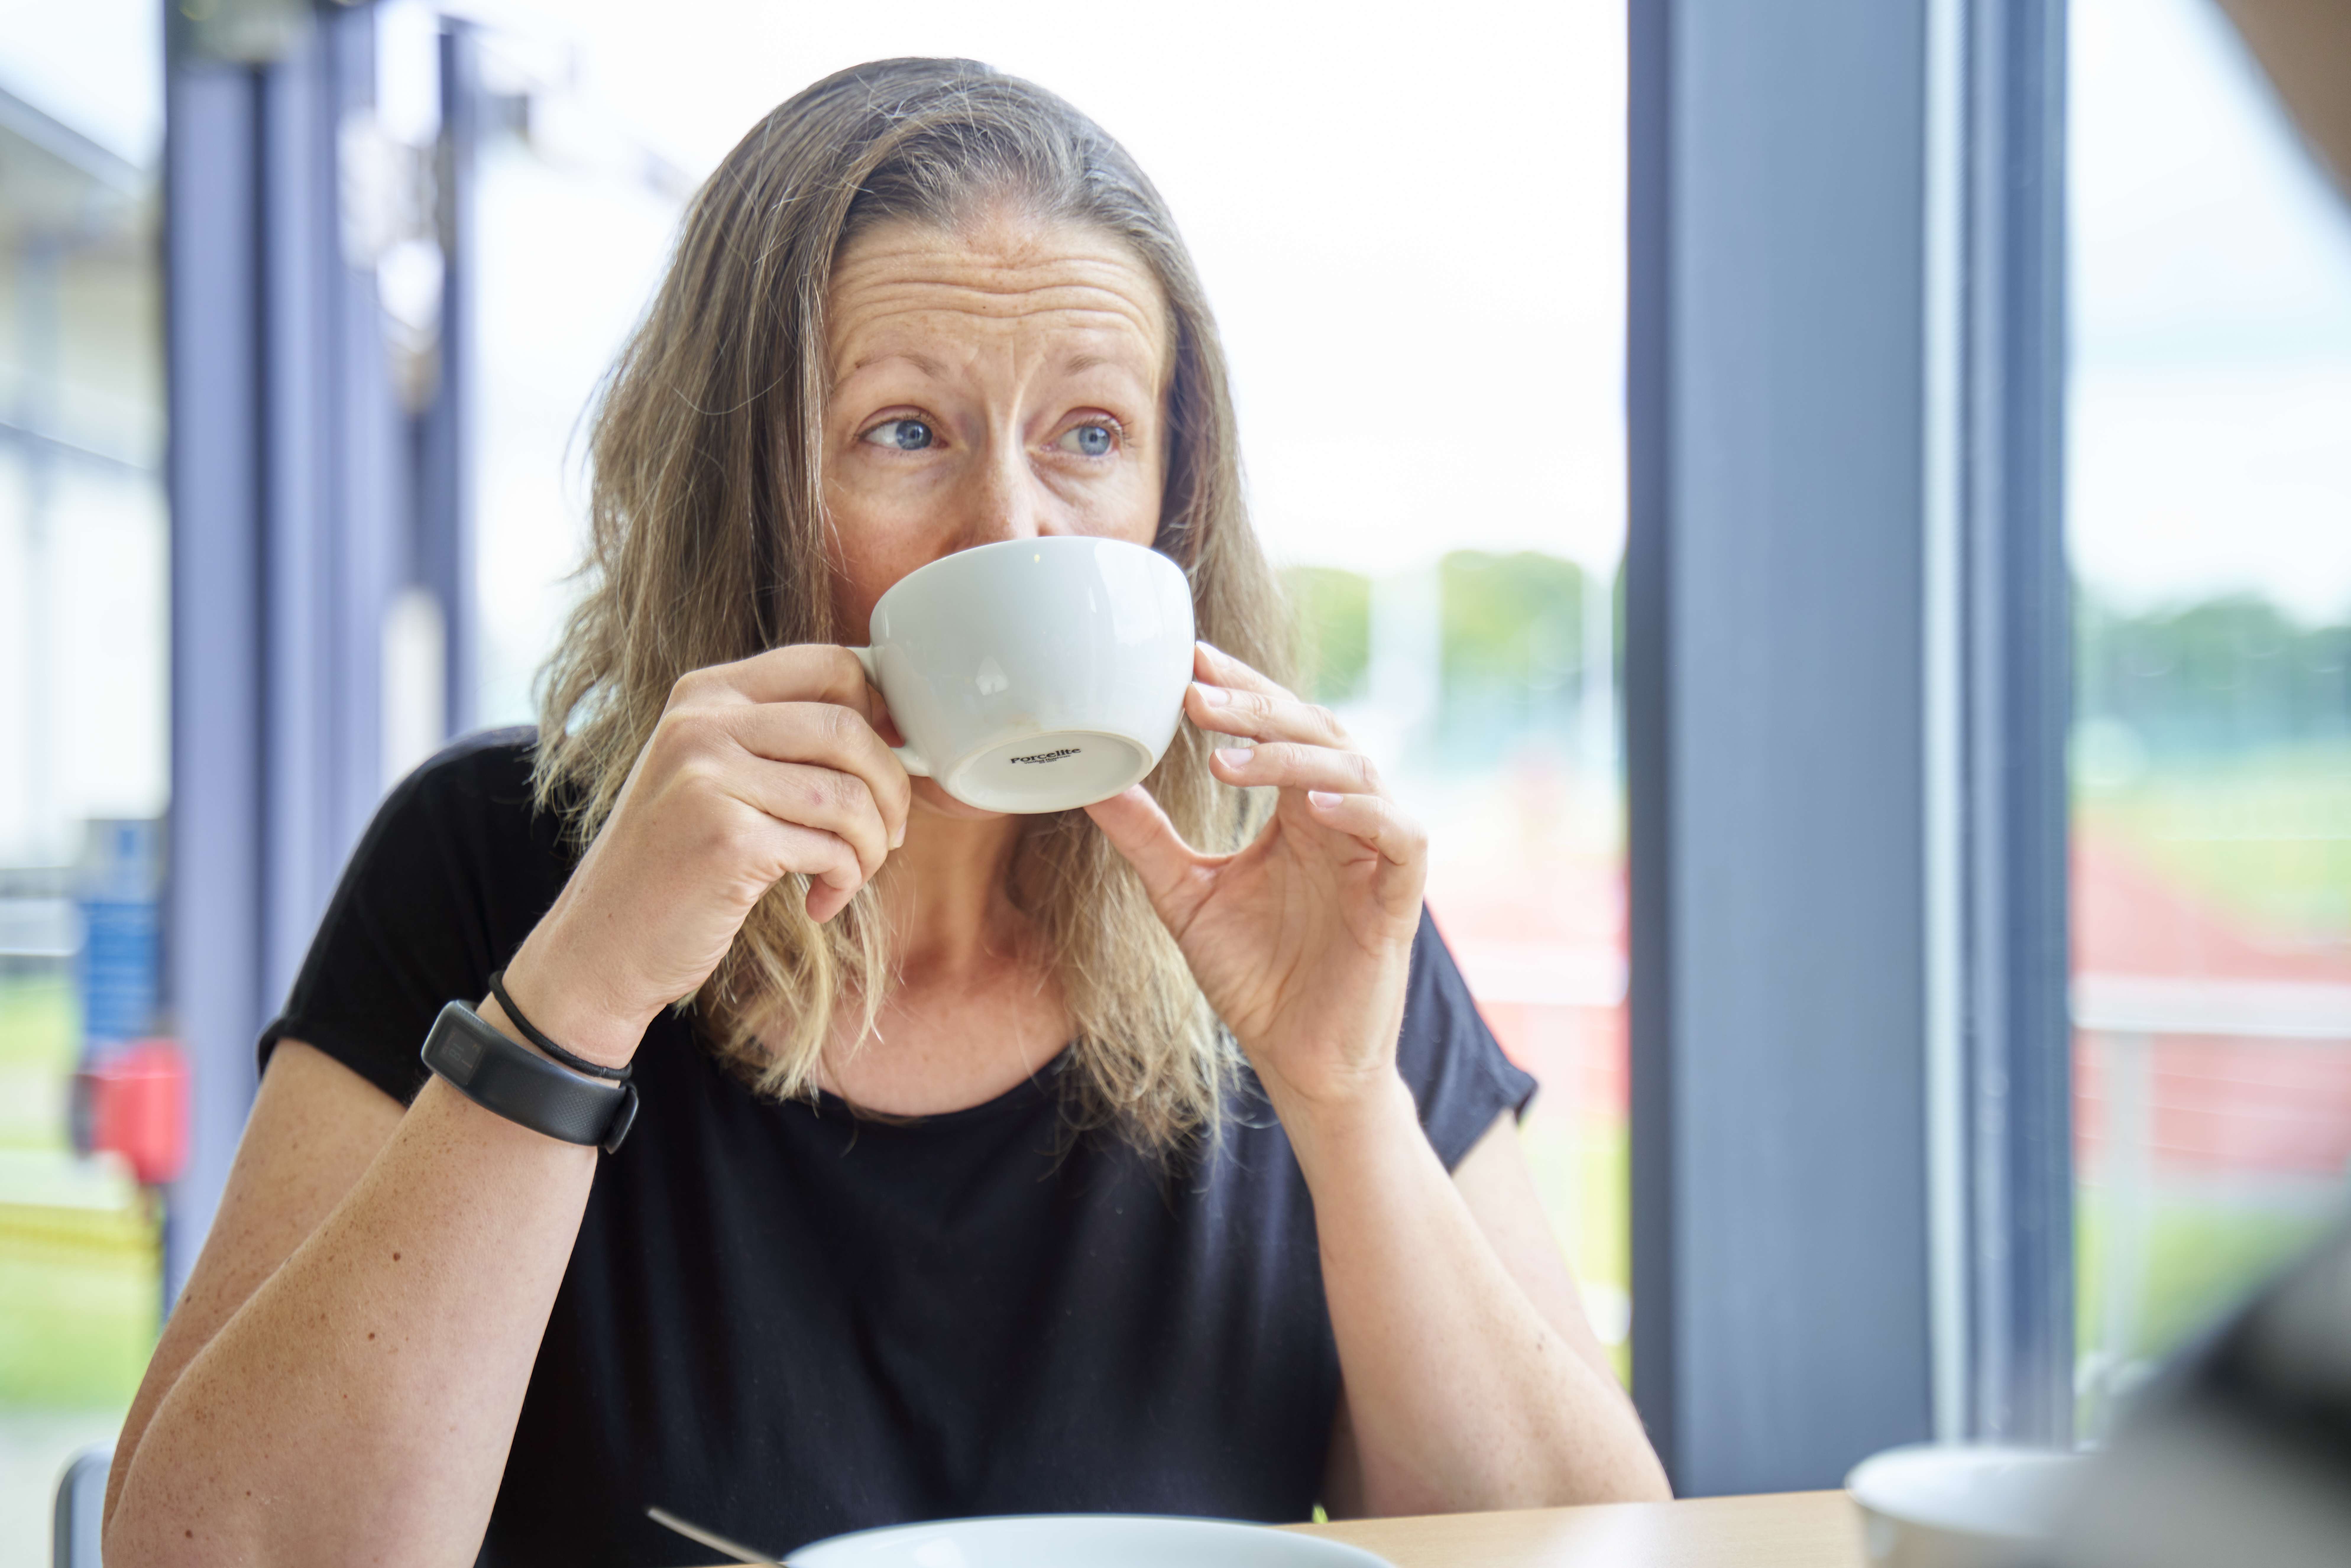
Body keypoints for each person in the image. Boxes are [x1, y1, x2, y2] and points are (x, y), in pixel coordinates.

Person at [101, 57, 1668, 1566]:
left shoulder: (1297, 910)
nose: (1014, 525)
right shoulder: (496, 863)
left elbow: (1590, 1549)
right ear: (745, 488)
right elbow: (212, 1550)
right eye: (905, 431)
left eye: (1094, 435)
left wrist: (1344, 1098)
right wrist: (580, 992)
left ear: (1173, 505)